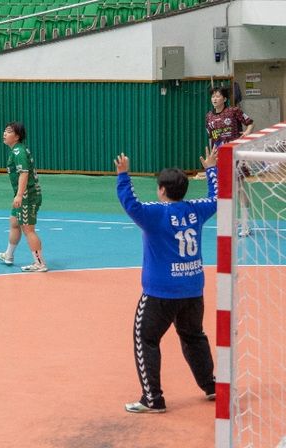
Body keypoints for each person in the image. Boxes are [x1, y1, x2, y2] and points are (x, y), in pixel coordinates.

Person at [116, 148, 218, 413]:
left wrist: (123, 175)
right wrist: (211, 170)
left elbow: (131, 204)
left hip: (160, 292)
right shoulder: (197, 209)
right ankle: (211, 386)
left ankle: (152, 398)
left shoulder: (155, 214)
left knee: (146, 338)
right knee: (194, 336)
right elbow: (216, 198)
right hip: (193, 289)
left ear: (161, 190)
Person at [0, 122, 47, 272]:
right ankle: (8, 255)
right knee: (14, 222)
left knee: (28, 229)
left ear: (17, 136)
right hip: (23, 195)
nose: (4, 134)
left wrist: (19, 195)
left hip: (27, 196)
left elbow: (24, 174)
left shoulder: (19, 152)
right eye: (5, 131)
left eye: (8, 131)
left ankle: (39, 263)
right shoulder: (16, 150)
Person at [205, 86, 254, 236]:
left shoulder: (233, 111)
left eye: (218, 96)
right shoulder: (209, 117)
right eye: (213, 96)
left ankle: (246, 223)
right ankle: (233, 219)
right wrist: (212, 157)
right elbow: (211, 138)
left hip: (235, 154)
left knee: (239, 188)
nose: (214, 99)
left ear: (224, 99)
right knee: (223, 189)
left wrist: (247, 132)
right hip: (219, 158)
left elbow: (250, 122)